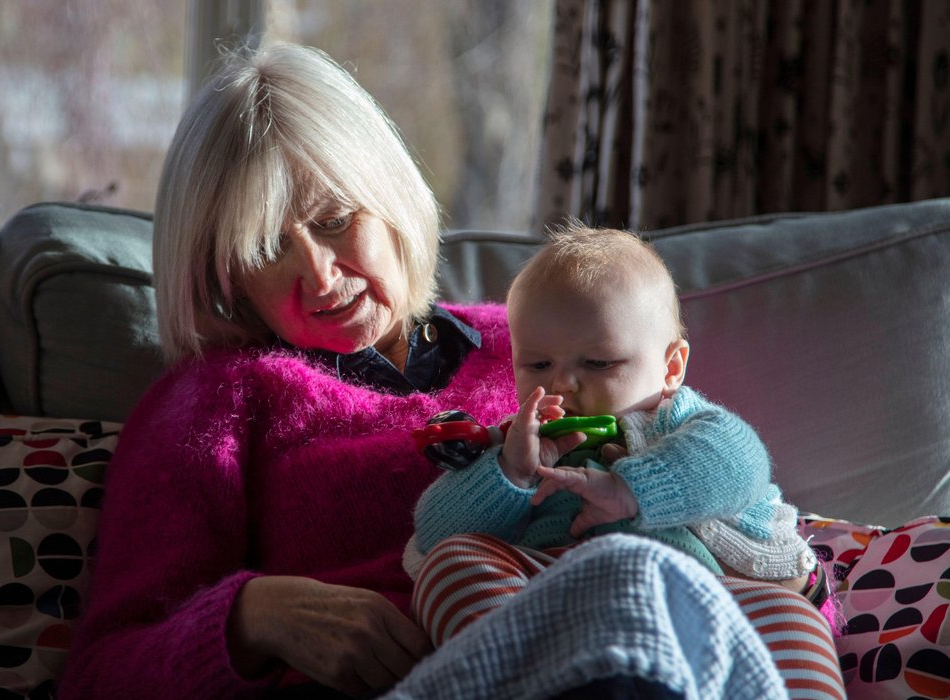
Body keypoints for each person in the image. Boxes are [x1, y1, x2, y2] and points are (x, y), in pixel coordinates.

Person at [57, 42, 845, 699]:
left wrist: (789, 588)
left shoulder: (544, 339)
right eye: (267, 249)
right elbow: (99, 675)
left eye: (335, 221)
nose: (321, 277)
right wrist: (251, 615)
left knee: (639, 581)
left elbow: (719, 480)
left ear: (390, 197)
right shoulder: (210, 402)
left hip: (649, 645)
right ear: (224, 272)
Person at [405, 225, 830, 649]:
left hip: (684, 595)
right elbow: (432, 532)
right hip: (545, 605)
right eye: (537, 365)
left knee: (797, 624)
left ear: (671, 368)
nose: (562, 383)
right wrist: (509, 473)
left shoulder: (678, 421)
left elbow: (743, 463)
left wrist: (633, 489)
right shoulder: (516, 444)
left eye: (598, 362)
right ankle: (522, 673)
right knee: (450, 567)